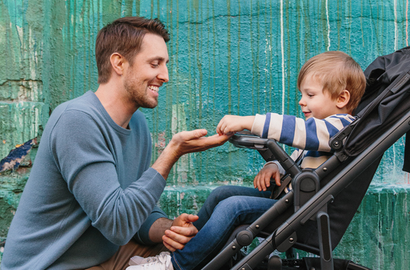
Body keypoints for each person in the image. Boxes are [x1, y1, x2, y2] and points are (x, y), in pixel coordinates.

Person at [0, 17, 230, 270]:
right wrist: (171, 154)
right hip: (52, 263)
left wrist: (167, 228)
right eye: (155, 64)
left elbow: (135, 212)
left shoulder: (138, 123)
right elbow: (118, 224)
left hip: (105, 255)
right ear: (119, 63)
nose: (165, 76)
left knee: (198, 251)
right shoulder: (76, 120)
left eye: (165, 64)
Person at [128, 51, 366, 270]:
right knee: (222, 194)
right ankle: (183, 252)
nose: (302, 101)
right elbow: (296, 160)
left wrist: (249, 121)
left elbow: (298, 131)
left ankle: (177, 265)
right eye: (302, 94)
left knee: (233, 207)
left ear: (342, 98)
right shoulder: (322, 133)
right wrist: (273, 165)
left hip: (304, 213)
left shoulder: (340, 129)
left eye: (310, 95)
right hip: (289, 201)